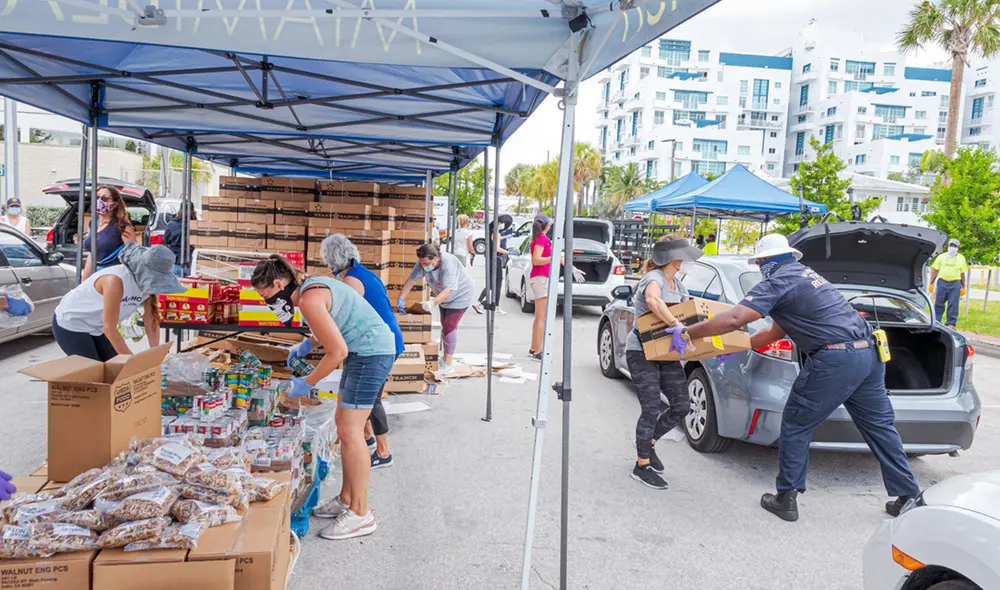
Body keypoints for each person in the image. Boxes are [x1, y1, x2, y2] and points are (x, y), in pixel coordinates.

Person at [664, 234, 920, 521]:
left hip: (836, 359)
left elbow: (735, 318)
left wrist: (688, 332)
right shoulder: (808, 277)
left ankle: (786, 498)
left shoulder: (778, 281)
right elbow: (773, 333)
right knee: (880, 426)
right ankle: (908, 495)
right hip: (869, 355)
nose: (761, 270)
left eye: (760, 264)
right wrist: (730, 348)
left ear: (765, 262)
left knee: (797, 423)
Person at [250, 255, 395, 541]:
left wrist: (307, 382)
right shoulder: (312, 287)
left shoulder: (307, 299)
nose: (265, 300)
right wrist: (307, 344)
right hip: (364, 352)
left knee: (351, 434)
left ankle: (360, 513)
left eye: (265, 294)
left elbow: (337, 352)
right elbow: (334, 320)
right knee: (344, 427)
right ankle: (346, 499)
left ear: (279, 284)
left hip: (369, 353)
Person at [304, 233, 404, 470]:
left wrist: (312, 342)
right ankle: (366, 437)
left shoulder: (351, 282)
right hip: (384, 339)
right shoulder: (363, 273)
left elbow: (342, 319)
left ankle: (383, 451)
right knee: (361, 396)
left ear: (331, 261)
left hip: (378, 345)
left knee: (371, 398)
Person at [627, 236, 703, 490]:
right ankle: (641, 465)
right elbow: (653, 301)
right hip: (642, 352)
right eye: (684, 257)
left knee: (682, 406)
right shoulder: (654, 279)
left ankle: (650, 442)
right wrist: (675, 325)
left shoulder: (679, 284)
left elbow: (690, 315)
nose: (687, 261)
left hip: (666, 353)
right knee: (650, 408)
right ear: (674, 259)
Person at [53, 242, 182, 361]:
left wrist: (156, 355)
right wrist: (133, 363)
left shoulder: (150, 286)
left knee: (114, 367)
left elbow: (152, 319)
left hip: (97, 327)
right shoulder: (115, 281)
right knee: (94, 371)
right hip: (72, 323)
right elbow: (110, 329)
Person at [396, 243, 474, 372]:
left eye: (426, 263)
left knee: (449, 326)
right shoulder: (422, 263)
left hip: (460, 294)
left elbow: (449, 290)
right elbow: (411, 281)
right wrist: (401, 298)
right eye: (421, 263)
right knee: (444, 324)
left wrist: (432, 302)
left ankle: (448, 363)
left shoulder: (448, 264)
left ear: (436, 258)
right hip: (442, 296)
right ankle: (444, 358)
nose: (423, 266)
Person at [82, 185, 135, 280]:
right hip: (96, 275)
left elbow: (134, 255)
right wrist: (84, 280)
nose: (99, 201)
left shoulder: (122, 226)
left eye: (105, 198)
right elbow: (92, 253)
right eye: (97, 197)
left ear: (115, 203)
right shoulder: (93, 223)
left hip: (115, 277)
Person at [528, 213, 553, 360]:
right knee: (541, 317)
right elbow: (536, 260)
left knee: (538, 317)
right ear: (547, 225)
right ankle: (538, 350)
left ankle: (534, 347)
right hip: (540, 278)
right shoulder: (542, 239)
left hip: (539, 278)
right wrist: (553, 256)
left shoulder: (538, 238)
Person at [929, 238, 968, 328]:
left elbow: (962, 273)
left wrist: (963, 286)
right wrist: (931, 283)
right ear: (948, 246)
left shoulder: (961, 258)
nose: (952, 247)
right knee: (939, 303)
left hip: (955, 284)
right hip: (942, 283)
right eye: (951, 245)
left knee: (953, 304)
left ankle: (951, 324)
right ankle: (936, 321)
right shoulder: (941, 257)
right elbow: (935, 270)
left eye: (954, 246)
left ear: (958, 247)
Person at [473, 220, 508, 316]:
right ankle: (488, 305)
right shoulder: (496, 234)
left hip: (490, 259)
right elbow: (497, 248)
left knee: (493, 284)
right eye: (500, 223)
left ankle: (486, 304)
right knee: (497, 283)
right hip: (496, 259)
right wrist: (507, 252)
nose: (502, 225)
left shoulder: (491, 234)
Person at [164, 201, 197, 277]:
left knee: (175, 288)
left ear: (180, 210)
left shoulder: (171, 224)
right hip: (191, 264)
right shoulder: (196, 225)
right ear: (193, 211)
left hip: (175, 262)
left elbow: (165, 241)